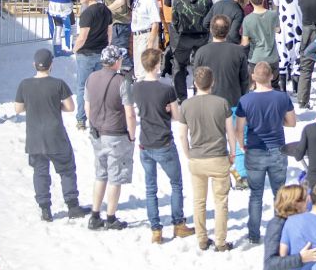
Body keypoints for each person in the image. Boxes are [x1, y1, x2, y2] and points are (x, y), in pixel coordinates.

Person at [14, 47, 88, 222]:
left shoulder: (24, 84)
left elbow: (18, 108)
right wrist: (56, 106)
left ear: (34, 65)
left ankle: (45, 209)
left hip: (35, 137)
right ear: (51, 65)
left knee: (40, 172)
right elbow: (70, 107)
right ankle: (72, 205)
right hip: (56, 135)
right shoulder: (58, 84)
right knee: (66, 169)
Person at [131, 47, 193, 243]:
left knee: (150, 188)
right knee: (176, 184)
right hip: (164, 142)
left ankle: (156, 229)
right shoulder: (167, 89)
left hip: (145, 142)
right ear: (157, 65)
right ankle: (178, 223)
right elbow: (177, 116)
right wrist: (167, 109)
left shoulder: (136, 88)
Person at [177, 65, 236, 252]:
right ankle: (220, 241)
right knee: (221, 202)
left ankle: (202, 238)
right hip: (218, 157)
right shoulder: (222, 103)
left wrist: (188, 153)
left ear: (195, 83)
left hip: (197, 158)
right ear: (213, 83)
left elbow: (182, 135)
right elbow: (230, 132)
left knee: (199, 201)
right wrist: (233, 152)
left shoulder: (186, 105)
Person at [237, 61, 296, 245]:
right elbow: (292, 122)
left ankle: (254, 234)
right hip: (277, 149)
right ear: (272, 76)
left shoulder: (245, 100)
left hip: (255, 149)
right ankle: (280, 233)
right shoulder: (282, 97)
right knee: (280, 193)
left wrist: (241, 145)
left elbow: (239, 128)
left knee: (256, 195)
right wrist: (278, 122)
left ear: (253, 77)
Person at [84, 45, 136, 231]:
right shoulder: (122, 82)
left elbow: (87, 107)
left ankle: (95, 215)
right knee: (115, 177)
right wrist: (132, 135)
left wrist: (93, 125)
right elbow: (130, 113)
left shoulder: (91, 78)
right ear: (116, 62)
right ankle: (111, 217)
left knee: (100, 174)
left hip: (97, 133)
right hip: (116, 134)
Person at [70, 0, 110, 129]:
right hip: (101, 52)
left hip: (86, 54)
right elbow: (110, 31)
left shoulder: (87, 13)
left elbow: (82, 37)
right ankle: (99, 116)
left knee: (82, 87)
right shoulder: (105, 10)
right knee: (99, 86)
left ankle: (81, 119)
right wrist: (106, 46)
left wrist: (74, 49)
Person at [170, 0, 212, 102]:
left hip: (183, 37)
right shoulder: (207, 0)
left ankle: (181, 97)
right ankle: (199, 92)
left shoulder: (178, 0)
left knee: (179, 65)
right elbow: (210, 20)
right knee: (199, 67)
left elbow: (174, 21)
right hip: (202, 37)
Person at [266, 185, 316, 270]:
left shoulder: (302, 220)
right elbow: (270, 263)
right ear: (294, 203)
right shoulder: (277, 225)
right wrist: (300, 258)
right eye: (305, 198)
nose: (309, 200)